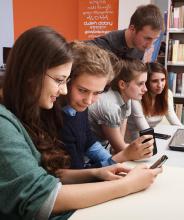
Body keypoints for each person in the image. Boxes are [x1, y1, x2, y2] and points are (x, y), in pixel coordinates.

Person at [0, 26, 162, 220]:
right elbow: (43, 198)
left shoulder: (30, 113)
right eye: (60, 80)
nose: (63, 91)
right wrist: (127, 185)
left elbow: (50, 174)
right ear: (30, 74)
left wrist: (96, 173)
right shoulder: (5, 123)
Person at [60, 42, 154, 170]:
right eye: (82, 90)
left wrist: (113, 162)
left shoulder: (79, 107)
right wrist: (120, 158)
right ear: (67, 81)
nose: (89, 101)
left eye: (97, 92)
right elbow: (76, 172)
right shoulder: (60, 117)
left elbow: (89, 142)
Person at [88, 58, 150, 153]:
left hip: (103, 152)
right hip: (89, 160)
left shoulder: (127, 99)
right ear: (122, 84)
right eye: (140, 84)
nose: (145, 89)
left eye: (145, 83)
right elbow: (120, 149)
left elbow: (119, 144)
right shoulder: (110, 107)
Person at [127, 62, 182, 141]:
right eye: (155, 81)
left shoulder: (167, 94)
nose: (160, 85)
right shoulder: (136, 97)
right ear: (146, 82)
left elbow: (174, 120)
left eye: (163, 80)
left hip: (150, 138)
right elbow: (144, 129)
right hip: (132, 141)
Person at [87, 4, 164, 61]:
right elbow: (76, 48)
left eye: (154, 39)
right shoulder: (105, 45)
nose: (150, 45)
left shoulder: (140, 47)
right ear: (132, 29)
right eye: (147, 38)